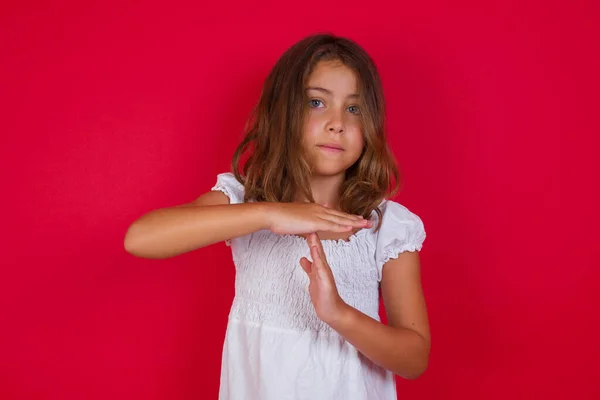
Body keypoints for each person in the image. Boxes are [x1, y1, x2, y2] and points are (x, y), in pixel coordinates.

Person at [124, 33, 430, 400]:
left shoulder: (383, 225)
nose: (337, 123)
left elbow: (413, 359)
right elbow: (140, 238)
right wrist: (269, 214)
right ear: (283, 112)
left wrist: (339, 315)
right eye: (317, 102)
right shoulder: (244, 199)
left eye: (354, 108)